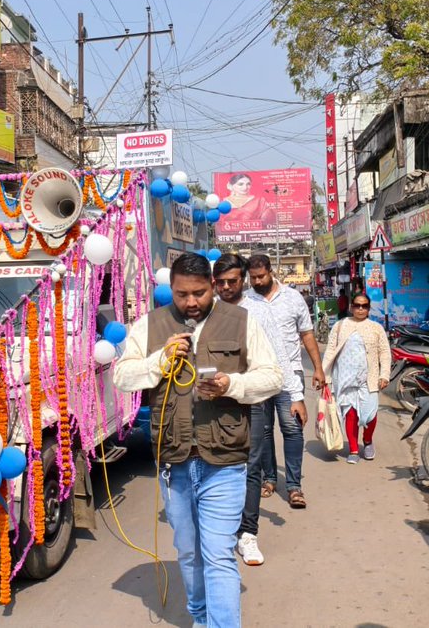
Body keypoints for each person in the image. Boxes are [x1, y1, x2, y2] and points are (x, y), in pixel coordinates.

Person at [113, 252, 282, 628]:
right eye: (182, 294)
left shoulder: (241, 321)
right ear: (170, 289)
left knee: (219, 553)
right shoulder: (150, 324)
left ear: (214, 287)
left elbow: (273, 377)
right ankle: (201, 618)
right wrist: (159, 361)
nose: (191, 302)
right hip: (174, 462)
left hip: (224, 461)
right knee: (189, 553)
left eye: (200, 293)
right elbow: (121, 377)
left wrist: (231, 384)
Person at [212, 253, 302, 567]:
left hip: (253, 403)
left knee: (250, 467)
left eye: (232, 281)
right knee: (220, 467)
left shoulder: (256, 312)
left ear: (243, 280)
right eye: (220, 282)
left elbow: (278, 359)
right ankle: (224, 527)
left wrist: (296, 394)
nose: (225, 287)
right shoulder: (206, 313)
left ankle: (248, 534)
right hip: (215, 406)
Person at [245, 254, 325, 509]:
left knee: (292, 428)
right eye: (253, 278)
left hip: (290, 373)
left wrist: (318, 368)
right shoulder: (245, 301)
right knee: (264, 430)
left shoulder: (293, 297)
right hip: (258, 374)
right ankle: (269, 478)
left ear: (271, 272)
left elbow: (307, 334)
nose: (257, 281)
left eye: (261, 276)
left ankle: (294, 486)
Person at [320, 294, 391, 463]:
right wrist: (323, 375)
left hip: (369, 379)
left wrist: (384, 374)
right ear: (351, 307)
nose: (360, 309)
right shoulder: (340, 326)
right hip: (345, 379)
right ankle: (353, 449)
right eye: (357, 305)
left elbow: (385, 352)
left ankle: (367, 440)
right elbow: (330, 351)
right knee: (350, 414)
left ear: (369, 308)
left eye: (364, 306)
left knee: (370, 415)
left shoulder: (376, 328)